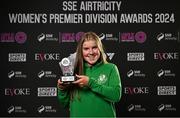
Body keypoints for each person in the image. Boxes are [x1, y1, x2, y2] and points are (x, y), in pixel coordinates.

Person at [57, 31, 122, 117]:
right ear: (81, 51)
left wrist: (90, 83)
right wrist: (62, 89)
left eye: (94, 47)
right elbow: (64, 104)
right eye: (86, 49)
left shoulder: (111, 68)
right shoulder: (73, 70)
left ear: (100, 48)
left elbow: (116, 96)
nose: (91, 52)